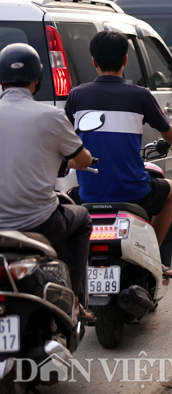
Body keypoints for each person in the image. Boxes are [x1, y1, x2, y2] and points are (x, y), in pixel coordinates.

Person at [65, 31, 172, 280]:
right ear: (125, 60)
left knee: (68, 198)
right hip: (135, 193)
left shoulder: (77, 95)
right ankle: (155, 258)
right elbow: (171, 135)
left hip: (90, 193)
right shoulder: (140, 95)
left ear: (93, 61)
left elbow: (63, 138)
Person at [0, 43, 95, 321]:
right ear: (38, 80)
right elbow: (83, 159)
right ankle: (74, 299)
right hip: (39, 222)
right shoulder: (51, 116)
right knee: (82, 219)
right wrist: (73, 160)